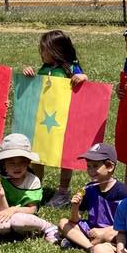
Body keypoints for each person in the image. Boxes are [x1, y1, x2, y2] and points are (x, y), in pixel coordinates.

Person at [22, 30, 88, 208]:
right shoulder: (45, 68)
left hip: (64, 121)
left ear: (57, 50)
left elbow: (85, 81)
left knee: (66, 155)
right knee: (38, 153)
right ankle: (36, 186)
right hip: (43, 121)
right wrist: (29, 75)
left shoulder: (71, 68)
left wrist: (82, 77)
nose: (41, 53)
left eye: (44, 50)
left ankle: (63, 191)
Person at [0, 133, 59, 244]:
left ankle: (47, 227)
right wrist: (1, 195)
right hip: (4, 217)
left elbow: (32, 209)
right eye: (11, 163)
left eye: (21, 162)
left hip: (25, 217)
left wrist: (13, 210)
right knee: (0, 225)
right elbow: (1, 212)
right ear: (3, 164)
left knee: (18, 220)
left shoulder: (33, 180)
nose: (17, 167)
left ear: (28, 162)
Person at [58, 143, 127, 251]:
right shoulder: (89, 189)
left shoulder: (122, 192)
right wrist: (75, 207)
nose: (91, 171)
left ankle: (79, 242)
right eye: (89, 166)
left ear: (110, 166)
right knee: (63, 223)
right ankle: (90, 247)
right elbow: (75, 219)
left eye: (95, 166)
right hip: (91, 229)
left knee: (112, 235)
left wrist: (103, 231)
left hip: (112, 230)